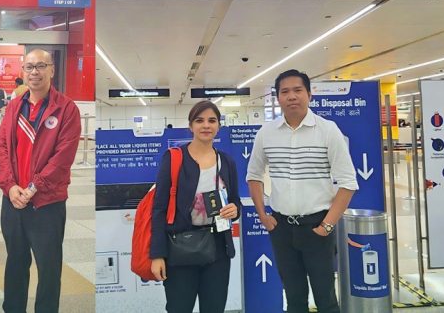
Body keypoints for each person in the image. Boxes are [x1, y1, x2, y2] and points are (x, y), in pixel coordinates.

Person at [246, 69, 359, 313]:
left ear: (309, 94)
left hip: (317, 226)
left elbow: (348, 182)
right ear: (278, 98)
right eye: (285, 92)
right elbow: (254, 176)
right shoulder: (266, 133)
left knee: (325, 298)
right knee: (294, 298)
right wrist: (263, 215)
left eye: (298, 90)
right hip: (281, 228)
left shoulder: (328, 130)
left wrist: (327, 225)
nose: (291, 96)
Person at [0, 49, 82, 313]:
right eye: (29, 67)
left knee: (49, 268)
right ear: (23, 72)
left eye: (41, 66)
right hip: (13, 202)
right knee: (15, 262)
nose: (35, 72)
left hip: (47, 204)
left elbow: (62, 158)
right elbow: (3, 148)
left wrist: (33, 188)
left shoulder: (66, 109)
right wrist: (10, 186)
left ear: (52, 70)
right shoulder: (14, 107)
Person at [149, 101, 241, 313]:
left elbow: (235, 200)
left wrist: (235, 210)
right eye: (199, 120)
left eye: (212, 120)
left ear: (219, 126)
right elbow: (159, 209)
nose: (206, 125)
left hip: (218, 249)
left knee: (214, 308)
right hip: (180, 247)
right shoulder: (174, 159)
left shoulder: (226, 161)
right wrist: (157, 254)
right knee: (179, 308)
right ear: (190, 126)